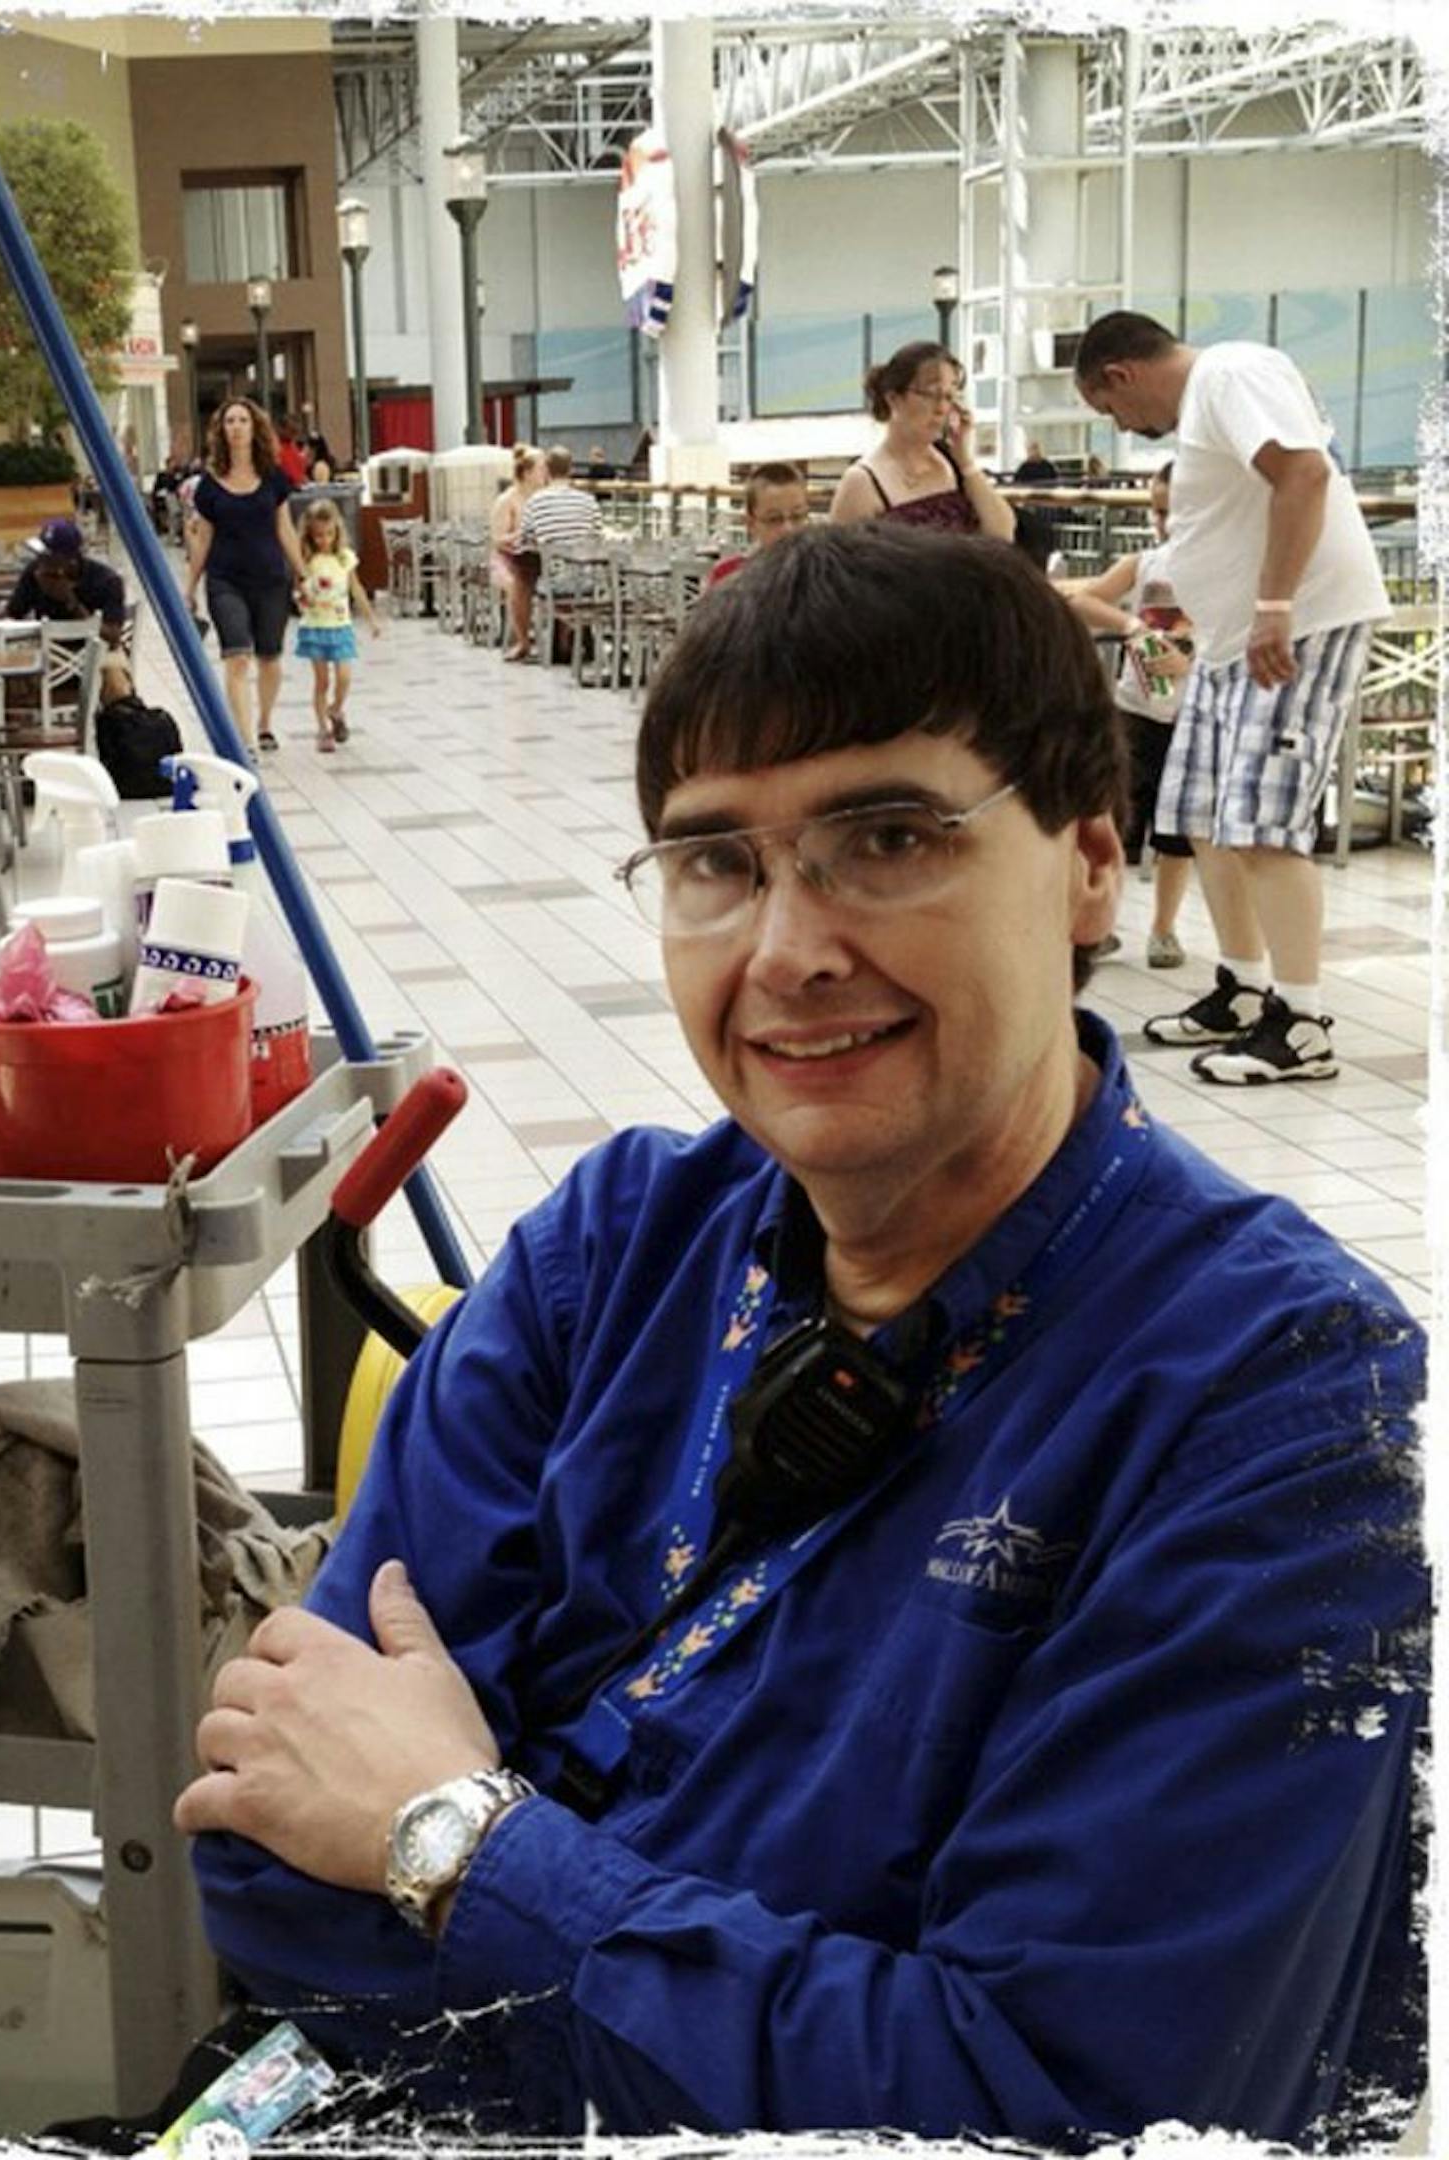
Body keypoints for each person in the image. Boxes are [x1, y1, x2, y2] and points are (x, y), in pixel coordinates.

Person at [176, 523, 1423, 2149]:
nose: (786, 952)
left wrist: (454, 1843)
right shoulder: (610, 1254)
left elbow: (1068, 2112)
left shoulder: (1276, 1401)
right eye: (717, 863)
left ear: (1093, 861)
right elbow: (268, 1843)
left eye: (887, 837)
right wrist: (784, 2003)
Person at [1074, 310, 1390, 1083]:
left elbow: (1304, 472)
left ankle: (1304, 1020)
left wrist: (1274, 606)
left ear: (1120, 374)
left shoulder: (1232, 371)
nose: (1126, 426)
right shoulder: (1209, 401)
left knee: (1263, 823)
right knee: (1204, 818)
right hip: (1225, 643)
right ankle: (1246, 989)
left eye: (1111, 411)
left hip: (1297, 624)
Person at [1056, 460, 1196, 968]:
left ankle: (1164, 927)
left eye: (1176, 509)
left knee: (1176, 828)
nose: (1165, 522)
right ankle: (1101, 923)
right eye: (1158, 511)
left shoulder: (1223, 570)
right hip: (1136, 709)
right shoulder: (1144, 564)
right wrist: (1132, 624)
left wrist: (1189, 658)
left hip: (1189, 713)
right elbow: (1082, 601)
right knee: (1113, 814)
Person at [184, 396, 304, 756]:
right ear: (221, 430)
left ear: (255, 428)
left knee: (269, 657)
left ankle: (265, 722)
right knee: (237, 656)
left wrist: (304, 575)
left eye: (242, 421)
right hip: (225, 580)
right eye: (229, 421)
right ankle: (245, 738)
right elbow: (203, 538)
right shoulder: (209, 485)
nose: (235, 427)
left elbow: (285, 529)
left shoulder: (274, 479)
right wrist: (189, 586)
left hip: (270, 578)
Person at [829, 342, 1016, 543]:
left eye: (949, 396)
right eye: (932, 395)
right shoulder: (863, 481)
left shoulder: (951, 463)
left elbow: (1002, 534)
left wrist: (965, 462)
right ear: (894, 398)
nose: (941, 408)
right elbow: (843, 564)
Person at [293, 496, 381, 753]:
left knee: (343, 676)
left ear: (337, 531)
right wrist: (301, 597)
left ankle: (336, 708)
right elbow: (299, 588)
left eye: (329, 534)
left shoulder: (344, 558)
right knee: (321, 681)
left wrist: (371, 618)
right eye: (318, 535)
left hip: (341, 624)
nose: (324, 540)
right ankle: (322, 728)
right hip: (316, 625)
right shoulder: (306, 559)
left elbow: (356, 587)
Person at [7, 516, 129, 646]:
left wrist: (71, 603)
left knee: (115, 666)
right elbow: (14, 615)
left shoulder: (106, 581)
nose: (41, 560)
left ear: (70, 561)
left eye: (48, 557)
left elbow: (112, 637)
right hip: (46, 650)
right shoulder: (35, 571)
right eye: (39, 554)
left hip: (96, 651)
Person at [705, 462, 810, 588]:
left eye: (797, 516)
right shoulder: (728, 576)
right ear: (751, 524)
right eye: (774, 519)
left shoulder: (824, 576)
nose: (788, 528)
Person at [488, 446, 543, 660]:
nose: (545, 474)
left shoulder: (542, 499)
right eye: (541, 469)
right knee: (516, 585)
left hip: (532, 558)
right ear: (527, 473)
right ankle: (523, 640)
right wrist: (522, 534)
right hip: (505, 560)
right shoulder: (507, 500)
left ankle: (562, 641)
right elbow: (497, 539)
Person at [516, 444, 603, 555]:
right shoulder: (589, 502)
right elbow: (597, 540)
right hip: (581, 569)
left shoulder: (534, 503)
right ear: (570, 470)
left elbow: (525, 543)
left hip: (548, 569)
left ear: (547, 470)